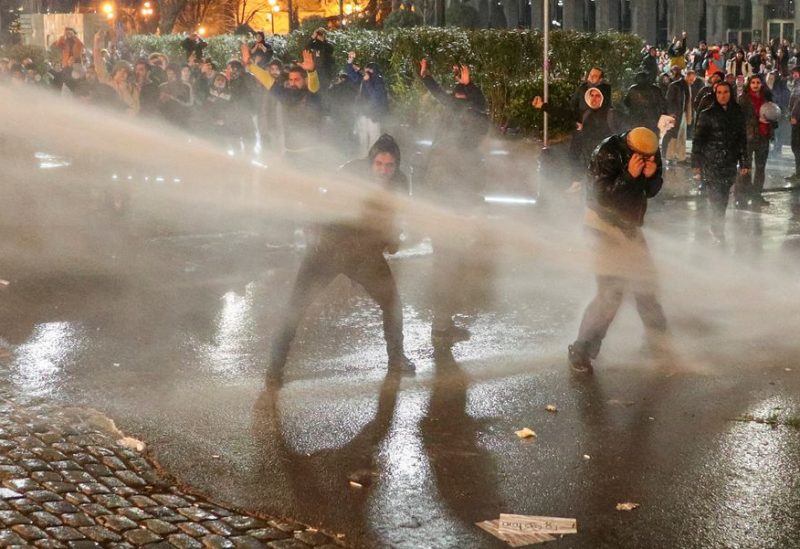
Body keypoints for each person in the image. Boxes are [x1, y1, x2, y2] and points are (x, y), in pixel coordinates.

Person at [267, 134, 416, 388]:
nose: (383, 171)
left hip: (364, 254)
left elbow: (395, 215)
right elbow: (321, 198)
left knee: (392, 305)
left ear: (397, 165)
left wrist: (393, 237)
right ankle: (274, 368)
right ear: (370, 162)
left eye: (389, 166)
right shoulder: (350, 173)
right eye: (379, 164)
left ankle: (396, 360)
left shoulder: (400, 182)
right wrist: (313, 224)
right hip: (328, 250)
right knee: (296, 306)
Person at [567, 127, 668, 373]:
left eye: (650, 157)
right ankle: (581, 349)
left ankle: (659, 343)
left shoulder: (651, 151)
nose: (646, 160)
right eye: (641, 157)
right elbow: (601, 198)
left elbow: (651, 191)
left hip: (630, 226)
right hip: (602, 225)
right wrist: (629, 176)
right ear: (630, 148)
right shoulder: (607, 153)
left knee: (646, 285)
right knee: (612, 292)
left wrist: (651, 177)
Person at [418, 58, 489, 343]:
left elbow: (470, 105)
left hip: (455, 207)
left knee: (451, 264)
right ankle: (441, 326)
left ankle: (443, 323)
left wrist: (465, 84)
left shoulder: (470, 126)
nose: (456, 99)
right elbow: (450, 99)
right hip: (446, 210)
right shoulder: (454, 140)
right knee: (447, 265)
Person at [691, 81, 748, 242]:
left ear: (731, 94)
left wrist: (744, 162)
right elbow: (698, 140)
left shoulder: (737, 112)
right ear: (715, 95)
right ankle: (717, 229)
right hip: (711, 161)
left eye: (726, 92)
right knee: (715, 196)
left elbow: (741, 139)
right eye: (719, 92)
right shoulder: (707, 114)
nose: (723, 95)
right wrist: (696, 163)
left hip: (729, 161)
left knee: (723, 196)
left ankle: (718, 225)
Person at [737, 75, 774, 206]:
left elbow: (774, 117)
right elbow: (739, 118)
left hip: (763, 137)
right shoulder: (743, 99)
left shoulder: (767, 98)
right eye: (753, 82)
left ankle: (757, 195)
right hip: (748, 137)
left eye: (758, 82)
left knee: (760, 168)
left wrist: (770, 121)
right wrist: (758, 119)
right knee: (745, 168)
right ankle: (741, 197)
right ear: (749, 84)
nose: (755, 85)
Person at [346, 52, 389, 157]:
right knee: (361, 142)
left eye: (369, 70)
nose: (366, 72)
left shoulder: (379, 82)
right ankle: (362, 162)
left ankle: (372, 162)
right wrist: (350, 61)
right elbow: (350, 73)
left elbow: (376, 97)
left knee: (374, 143)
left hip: (374, 117)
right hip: (362, 114)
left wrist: (367, 82)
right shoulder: (364, 79)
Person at [623, 70, 666, 135]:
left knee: (637, 138)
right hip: (652, 119)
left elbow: (626, 103)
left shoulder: (633, 89)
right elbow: (663, 104)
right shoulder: (655, 89)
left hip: (637, 119)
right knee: (652, 137)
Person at [662, 65, 690, 165]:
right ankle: (672, 156)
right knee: (674, 135)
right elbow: (670, 101)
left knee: (677, 135)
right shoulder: (677, 85)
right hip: (678, 113)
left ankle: (675, 157)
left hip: (679, 113)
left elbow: (670, 101)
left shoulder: (677, 85)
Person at [306, 27, 334, 91]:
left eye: (321, 34)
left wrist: (322, 40)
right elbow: (306, 48)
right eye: (319, 34)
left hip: (326, 71)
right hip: (316, 71)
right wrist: (312, 37)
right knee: (316, 89)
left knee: (326, 90)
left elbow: (329, 51)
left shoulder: (329, 45)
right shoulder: (314, 44)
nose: (320, 35)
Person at [787, 66, 800, 182]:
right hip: (795, 119)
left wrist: (794, 116)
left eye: (797, 73)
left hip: (798, 120)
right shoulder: (795, 84)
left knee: (796, 146)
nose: (795, 75)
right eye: (794, 73)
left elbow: (797, 103)